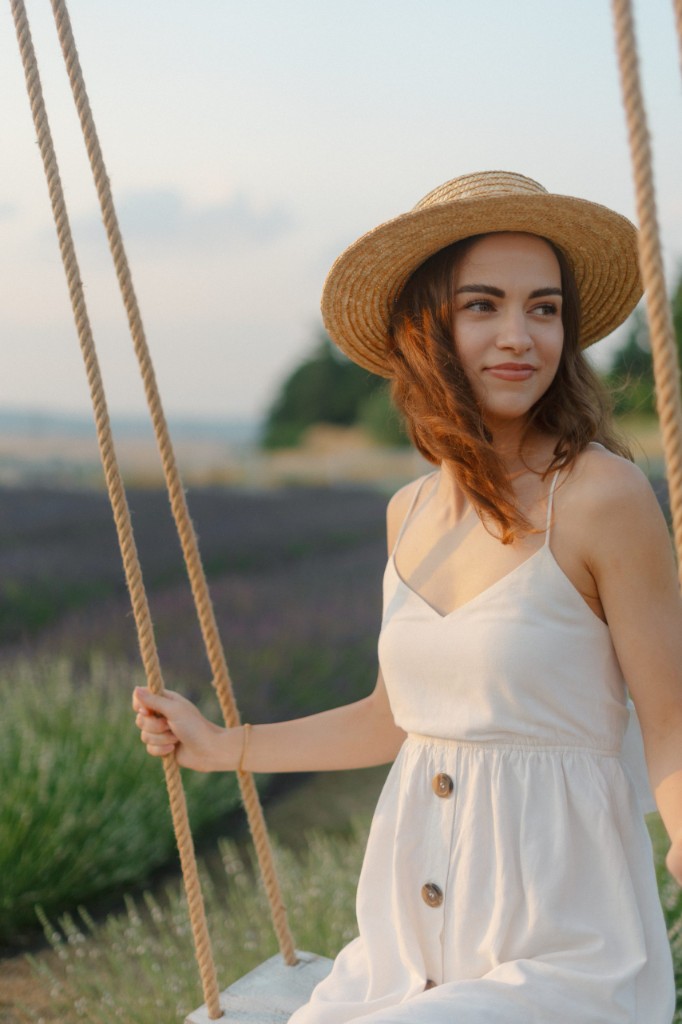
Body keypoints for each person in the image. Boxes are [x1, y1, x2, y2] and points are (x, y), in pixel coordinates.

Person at [133, 171, 682, 1023]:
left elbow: (672, 728)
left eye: (544, 309)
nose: (520, 336)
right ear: (427, 327)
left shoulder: (602, 497)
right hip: (399, 955)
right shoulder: (411, 512)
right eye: (482, 306)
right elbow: (396, 718)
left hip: (558, 958)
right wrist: (220, 745)